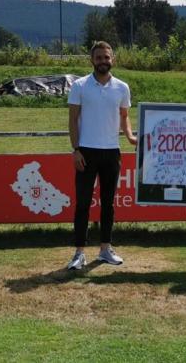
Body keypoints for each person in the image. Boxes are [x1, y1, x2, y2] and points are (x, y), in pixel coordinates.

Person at [66, 41, 137, 270]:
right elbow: (72, 120)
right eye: (99, 58)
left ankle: (105, 249)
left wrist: (130, 136)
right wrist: (76, 150)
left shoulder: (122, 87)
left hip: (111, 152)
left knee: (108, 203)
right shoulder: (79, 86)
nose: (103, 61)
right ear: (92, 60)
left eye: (106, 57)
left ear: (112, 59)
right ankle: (79, 253)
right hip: (86, 152)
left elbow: (124, 116)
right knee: (83, 204)